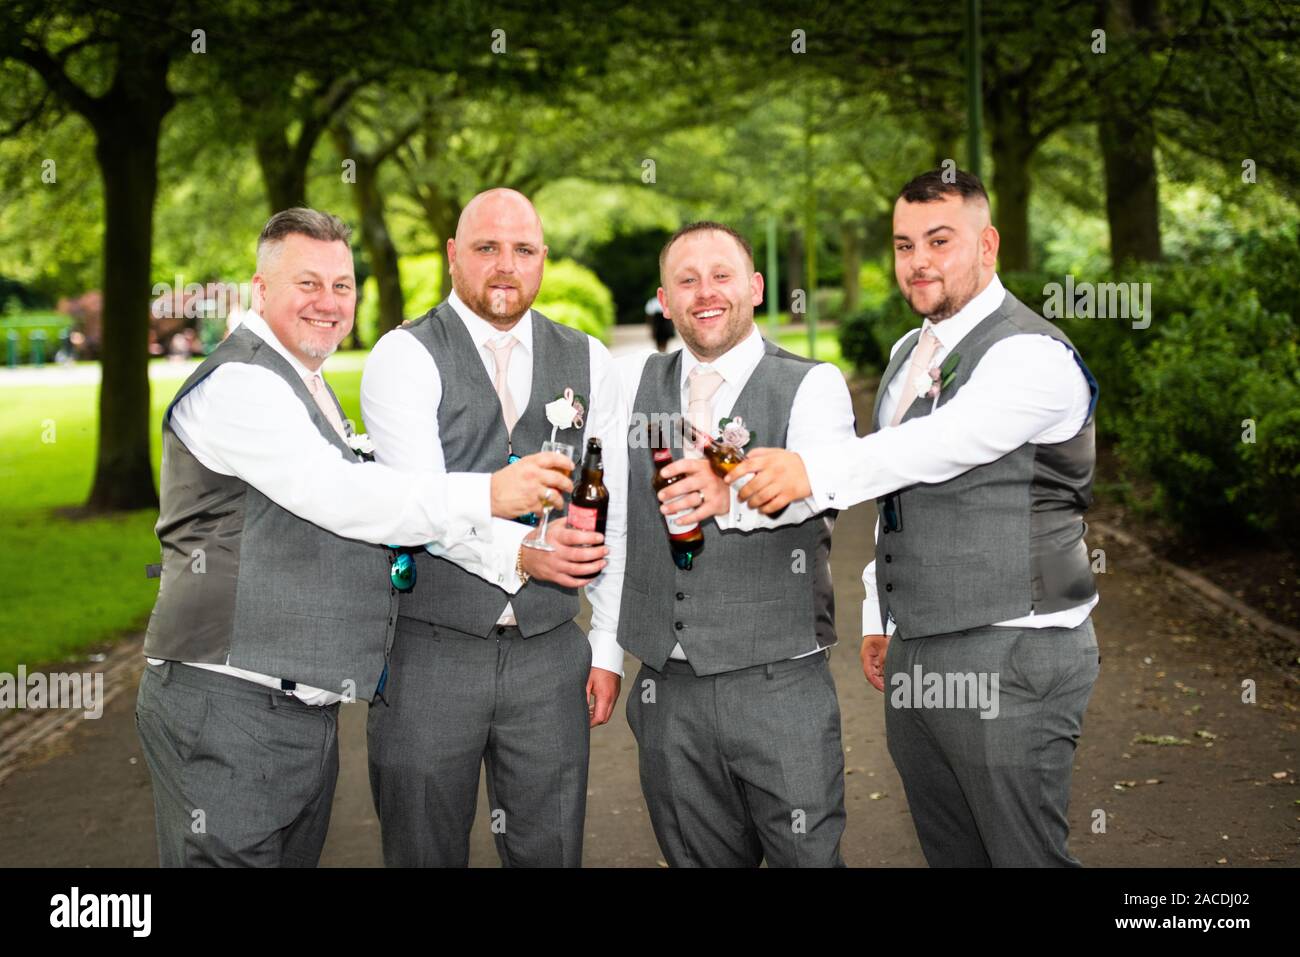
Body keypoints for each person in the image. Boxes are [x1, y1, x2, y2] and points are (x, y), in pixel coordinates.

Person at [136, 207, 574, 867]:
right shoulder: (241, 383)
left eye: (342, 286)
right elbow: (340, 495)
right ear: (261, 288)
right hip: (229, 709)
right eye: (307, 283)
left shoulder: (301, 382)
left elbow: (362, 481)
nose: (329, 302)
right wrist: (488, 493)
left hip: (296, 711)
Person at [726, 169, 1102, 867]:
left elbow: (939, 445)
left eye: (940, 240)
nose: (919, 261)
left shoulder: (1030, 354)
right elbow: (900, 498)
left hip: (1014, 649)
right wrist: (880, 614)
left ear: (987, 244)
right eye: (904, 245)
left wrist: (811, 470)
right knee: (952, 854)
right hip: (920, 648)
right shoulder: (908, 352)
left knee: (1024, 857)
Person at [361, 188, 626, 867]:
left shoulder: (591, 360)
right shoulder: (404, 355)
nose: (505, 266)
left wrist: (605, 646)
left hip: (548, 656)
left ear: (543, 258)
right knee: (423, 850)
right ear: (453, 256)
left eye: (523, 250)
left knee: (550, 851)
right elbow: (415, 500)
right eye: (486, 248)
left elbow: (613, 512)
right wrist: (524, 554)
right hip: (429, 649)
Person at [615, 221, 857, 867]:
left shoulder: (811, 383)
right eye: (685, 280)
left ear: (753, 285)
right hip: (668, 689)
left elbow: (821, 484)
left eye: (721, 275)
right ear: (664, 300)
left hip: (779, 683)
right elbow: (618, 524)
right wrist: (607, 654)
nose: (705, 292)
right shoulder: (632, 387)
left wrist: (734, 499)